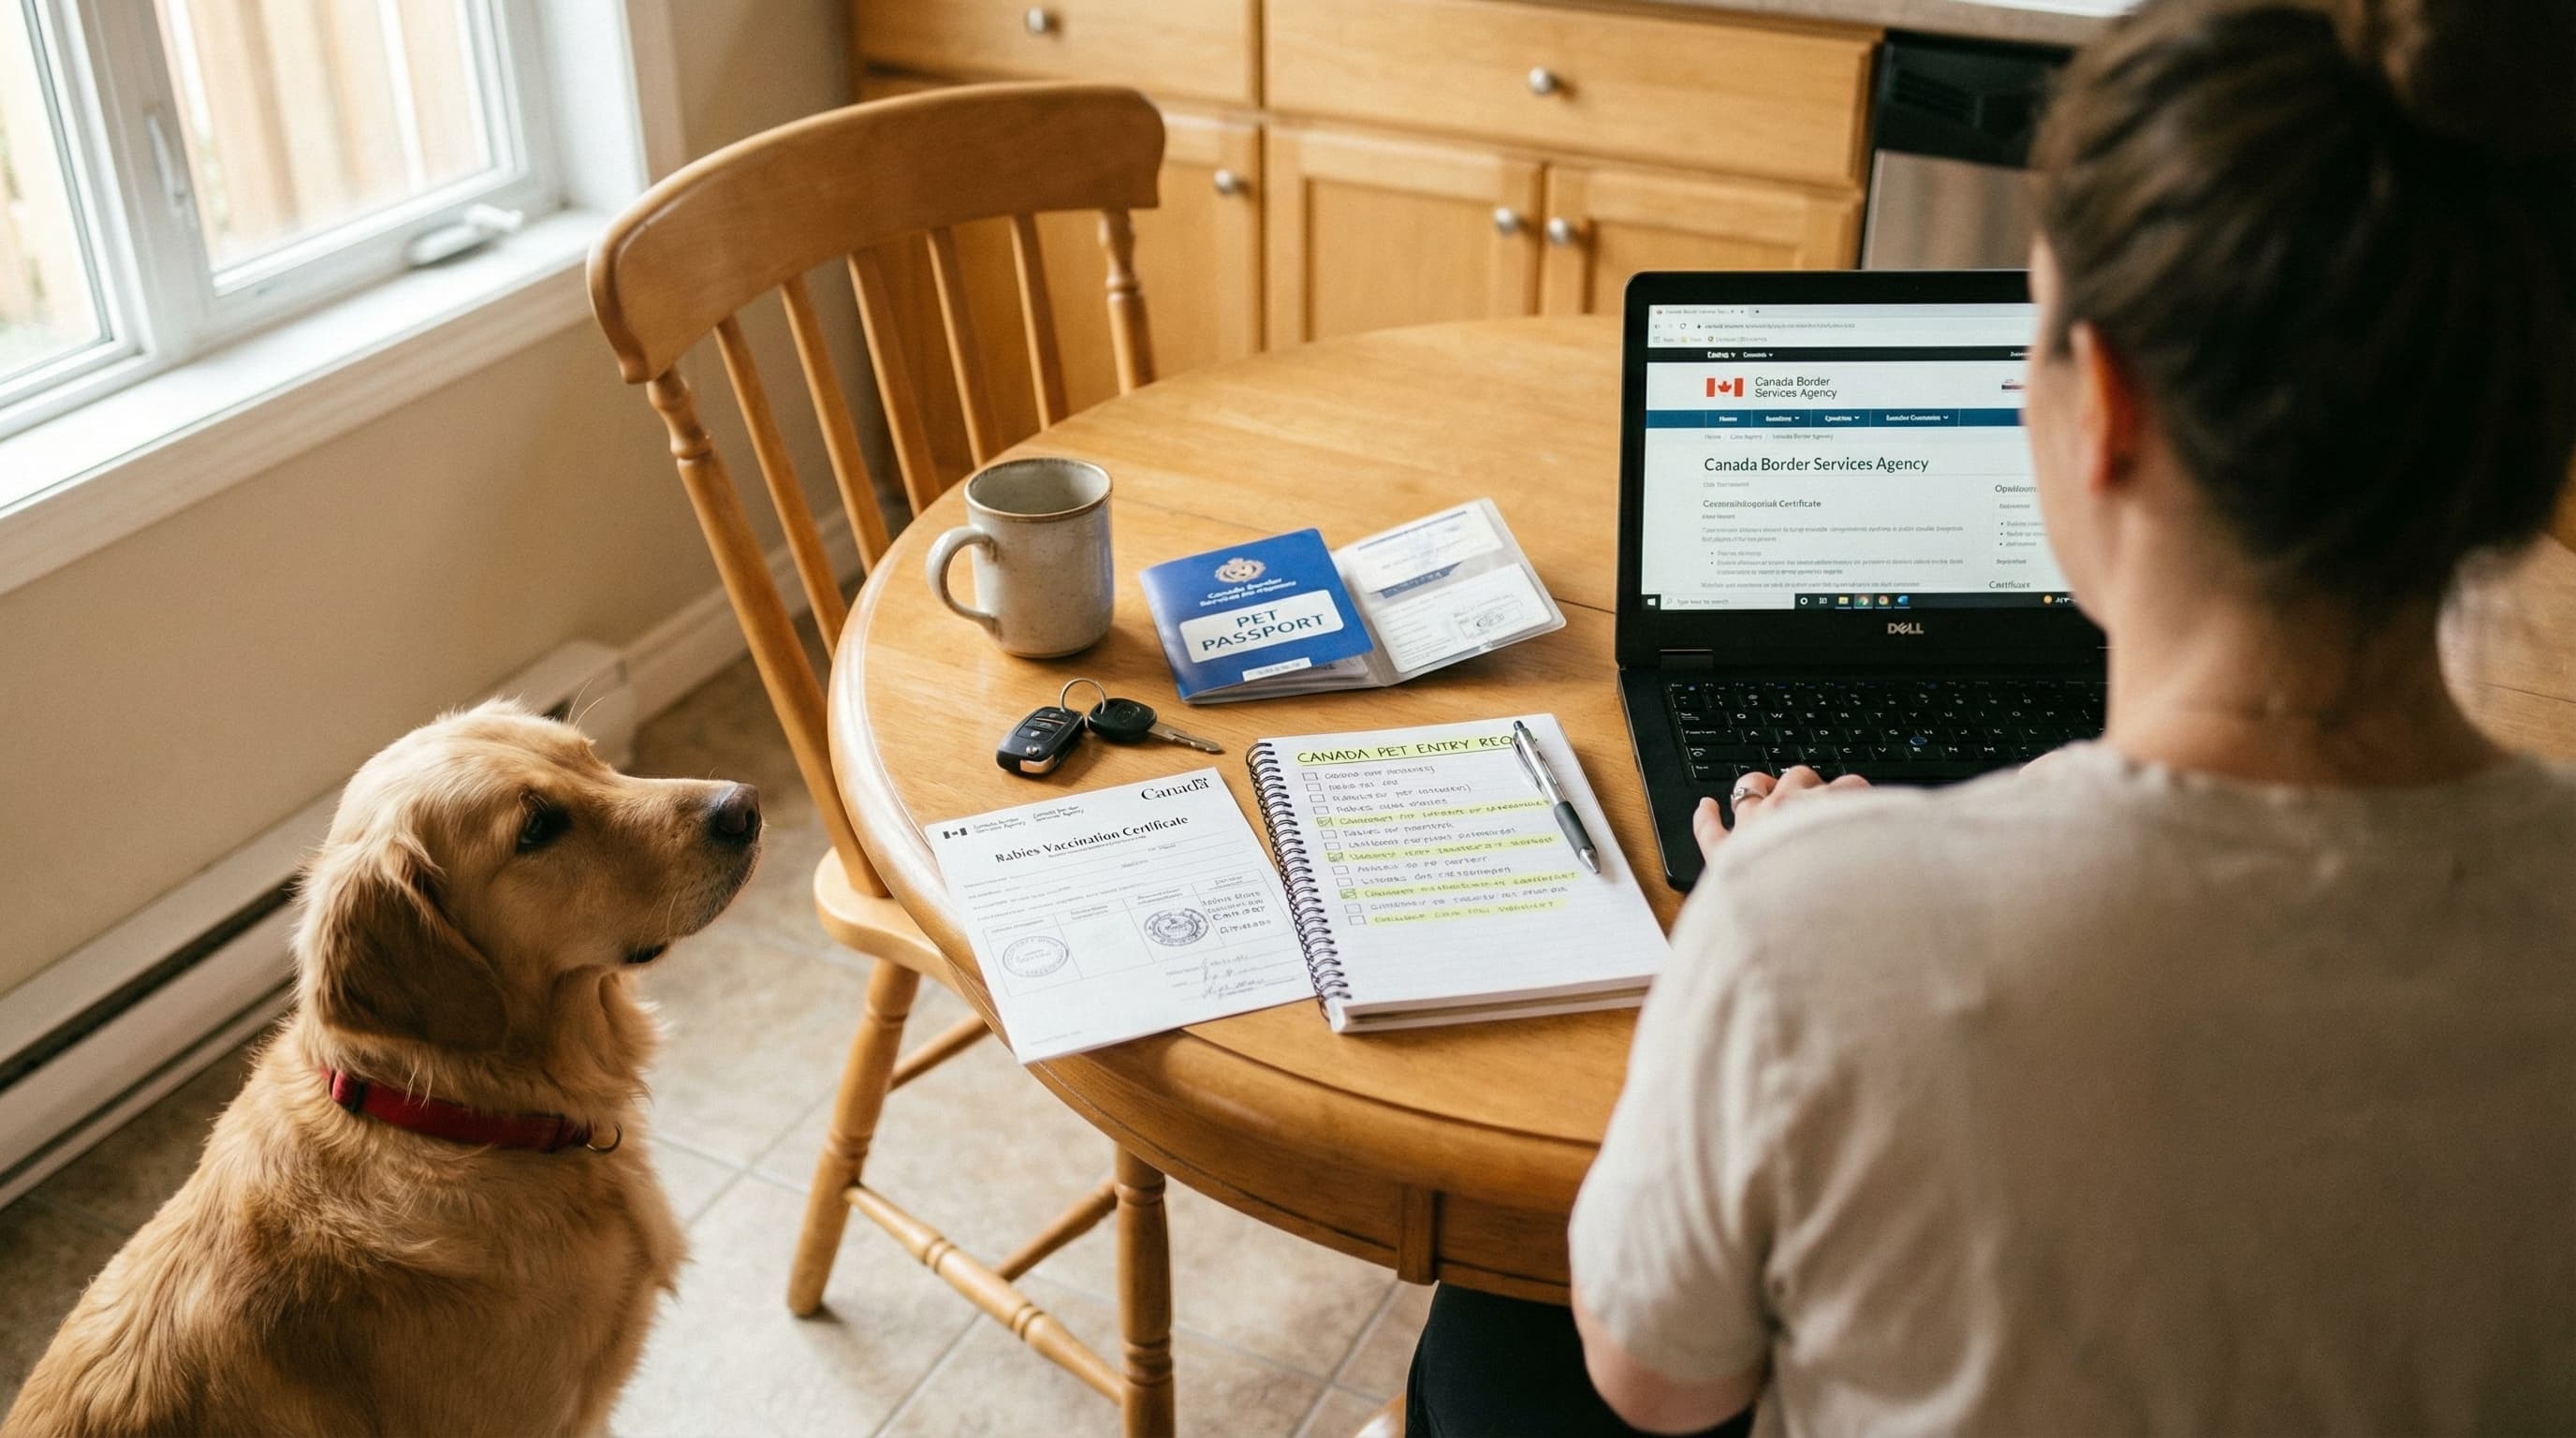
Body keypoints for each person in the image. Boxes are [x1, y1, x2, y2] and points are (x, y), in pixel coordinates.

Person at [1406, 0, 2576, 1431]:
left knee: (1489, 1341)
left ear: (2111, 412)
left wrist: (1757, 903)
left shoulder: (1811, 925)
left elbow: (1655, 1381)